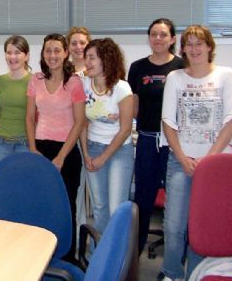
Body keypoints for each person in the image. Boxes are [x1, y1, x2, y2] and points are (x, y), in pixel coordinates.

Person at [160, 25, 232, 281]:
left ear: (210, 47)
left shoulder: (226, 75)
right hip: (182, 161)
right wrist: (182, 157)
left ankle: (196, 274)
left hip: (216, 164)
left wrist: (209, 160)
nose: (194, 49)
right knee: (173, 226)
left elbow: (230, 121)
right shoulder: (175, 78)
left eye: (199, 43)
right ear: (182, 49)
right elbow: (168, 122)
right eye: (189, 44)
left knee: (204, 228)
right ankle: (171, 273)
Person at [26, 34, 85, 264]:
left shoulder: (74, 82)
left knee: (66, 206)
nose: (52, 55)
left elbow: (79, 122)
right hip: (40, 149)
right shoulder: (36, 80)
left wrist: (61, 157)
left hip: (66, 152)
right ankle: (42, 255)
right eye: (48, 51)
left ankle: (67, 259)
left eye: (57, 51)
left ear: (65, 53)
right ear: (43, 54)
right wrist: (32, 149)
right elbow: (29, 118)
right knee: (41, 203)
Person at [127, 18, 184, 254]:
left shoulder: (182, 66)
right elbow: (134, 105)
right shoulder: (138, 67)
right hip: (148, 140)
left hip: (175, 143)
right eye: (153, 34)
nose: (158, 39)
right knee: (142, 198)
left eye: (163, 35)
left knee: (177, 203)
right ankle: (134, 258)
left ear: (172, 39)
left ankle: (174, 263)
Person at [80, 38, 134, 236]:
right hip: (93, 147)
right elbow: (82, 123)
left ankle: (118, 260)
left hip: (118, 150)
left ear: (106, 59)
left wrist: (103, 157)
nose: (87, 62)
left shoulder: (122, 88)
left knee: (116, 208)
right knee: (99, 208)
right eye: (86, 58)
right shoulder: (84, 84)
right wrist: (86, 154)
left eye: (92, 58)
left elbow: (126, 129)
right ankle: (98, 256)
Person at [0, 35, 32, 168]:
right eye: (9, 52)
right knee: (3, 185)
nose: (13, 57)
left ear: (27, 56)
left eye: (17, 52)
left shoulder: (34, 81)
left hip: (25, 143)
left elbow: (36, 116)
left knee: (23, 184)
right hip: (1, 144)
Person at [66, 26, 92, 235]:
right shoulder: (62, 72)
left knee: (87, 194)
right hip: (68, 137)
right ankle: (73, 238)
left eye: (82, 43)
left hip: (91, 138)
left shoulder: (94, 73)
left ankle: (85, 240)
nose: (78, 47)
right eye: (73, 43)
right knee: (73, 193)